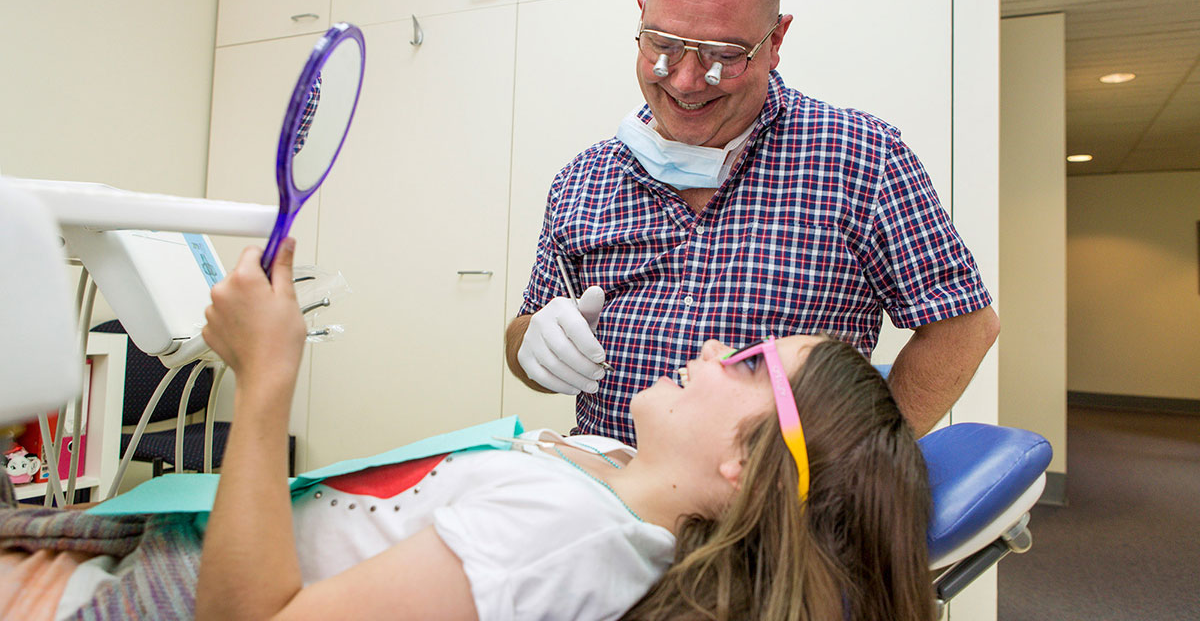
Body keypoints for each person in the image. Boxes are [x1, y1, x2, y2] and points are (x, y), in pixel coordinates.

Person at [1, 240, 933, 621]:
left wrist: (266, 378)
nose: (715, 342)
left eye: (747, 364)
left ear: (742, 462)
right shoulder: (603, 471)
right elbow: (524, 340)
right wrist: (532, 337)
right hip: (177, 541)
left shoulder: (561, 537)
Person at [506, 0, 999, 445]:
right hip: (614, 496)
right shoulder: (584, 180)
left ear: (776, 39)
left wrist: (865, 462)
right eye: (663, 44)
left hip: (777, 512)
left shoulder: (862, 161)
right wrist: (531, 346)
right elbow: (525, 334)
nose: (688, 80)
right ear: (642, 16)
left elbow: (963, 325)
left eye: (723, 55)